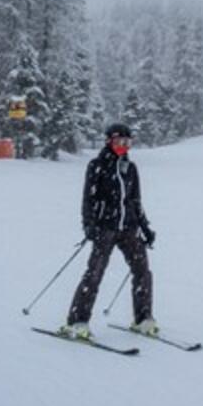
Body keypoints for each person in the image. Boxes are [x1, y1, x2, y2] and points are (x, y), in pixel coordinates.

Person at [60, 123, 158, 340]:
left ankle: (143, 318)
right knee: (94, 274)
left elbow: (135, 201)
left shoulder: (130, 168)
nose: (123, 146)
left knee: (142, 271)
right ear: (108, 141)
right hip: (105, 228)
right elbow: (88, 199)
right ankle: (77, 322)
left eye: (127, 142)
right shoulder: (97, 166)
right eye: (119, 141)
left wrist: (145, 227)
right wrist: (89, 225)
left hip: (129, 228)